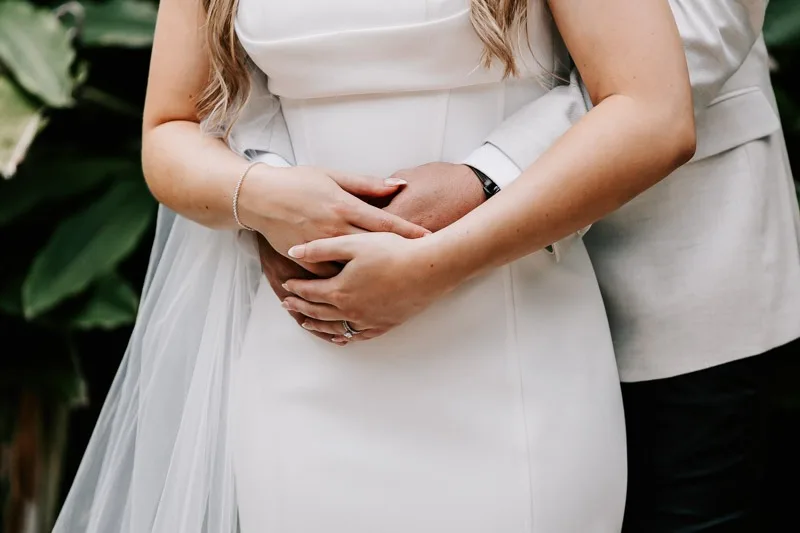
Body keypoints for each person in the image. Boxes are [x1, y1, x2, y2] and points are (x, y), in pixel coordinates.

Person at [53, 1, 695, 532]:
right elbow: (169, 130)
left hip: (509, 359)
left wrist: (438, 264)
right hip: (307, 360)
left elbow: (653, 112)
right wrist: (265, 196)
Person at [261, 1, 800, 531]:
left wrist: (489, 174)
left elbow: (707, 23)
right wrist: (282, 203)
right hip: (405, 308)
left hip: (668, 254)